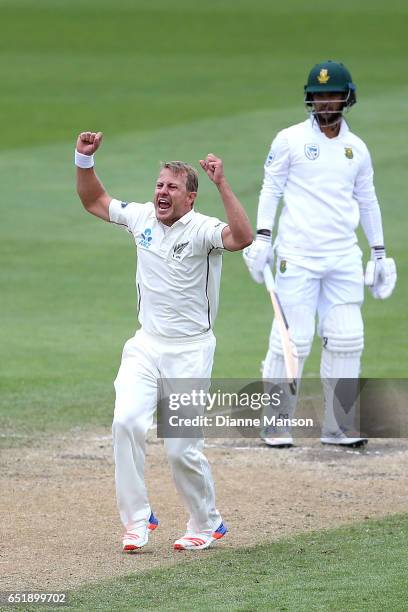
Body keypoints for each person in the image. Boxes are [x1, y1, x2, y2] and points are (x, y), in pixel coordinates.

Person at [75, 131, 252, 551]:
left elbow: (242, 238)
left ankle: (206, 522)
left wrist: (222, 184)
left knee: (180, 449)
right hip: (146, 344)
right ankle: (137, 521)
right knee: (125, 423)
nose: (162, 192)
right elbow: (93, 200)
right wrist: (84, 159)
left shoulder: (204, 229)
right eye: (159, 185)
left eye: (172, 186)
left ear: (190, 197)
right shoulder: (140, 219)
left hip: (190, 350)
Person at [243, 60, 396, 449]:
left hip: (343, 256)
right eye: (318, 95)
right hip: (297, 254)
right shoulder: (289, 140)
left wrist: (379, 253)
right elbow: (270, 191)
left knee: (348, 338)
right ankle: (275, 422)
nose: (325, 101)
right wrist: (262, 238)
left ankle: (338, 425)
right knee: (294, 340)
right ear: (310, 99)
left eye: (331, 94)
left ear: (347, 97)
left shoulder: (356, 149)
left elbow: (368, 200)